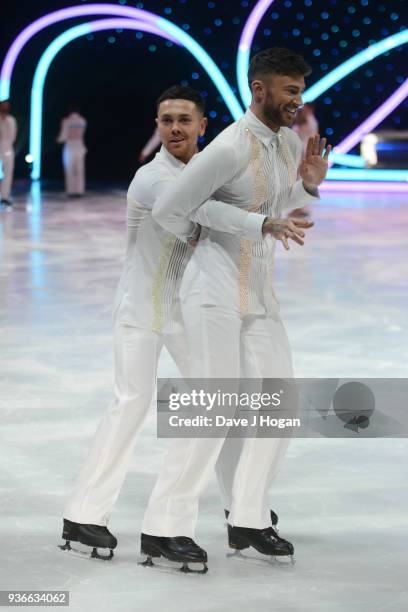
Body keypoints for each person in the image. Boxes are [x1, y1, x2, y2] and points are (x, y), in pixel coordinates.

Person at [59, 86, 296, 569]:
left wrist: (300, 187)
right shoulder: (153, 178)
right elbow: (198, 210)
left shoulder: (208, 172)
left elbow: (248, 192)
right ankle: (83, 514)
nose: (174, 129)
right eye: (166, 120)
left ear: (202, 126)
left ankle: (241, 511)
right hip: (142, 313)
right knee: (133, 402)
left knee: (218, 407)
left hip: (183, 315)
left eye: (184, 120)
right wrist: (261, 221)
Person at [141, 48, 331, 570]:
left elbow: (272, 203)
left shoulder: (288, 142)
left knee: (279, 408)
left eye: (300, 90)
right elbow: (170, 206)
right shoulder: (226, 146)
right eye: (289, 90)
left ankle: (248, 518)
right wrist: (223, 235)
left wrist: (308, 185)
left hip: (260, 294)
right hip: (212, 295)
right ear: (260, 90)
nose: (298, 100)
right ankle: (161, 527)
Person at [290, 103, 319, 217]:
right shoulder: (307, 120)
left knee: (302, 181)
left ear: (310, 108)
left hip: (304, 154)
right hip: (304, 153)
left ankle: (301, 208)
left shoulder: (308, 121)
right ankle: (300, 208)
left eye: (305, 108)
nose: (303, 109)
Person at [56, 104, 87, 197]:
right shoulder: (82, 121)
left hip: (70, 147)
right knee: (79, 170)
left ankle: (71, 191)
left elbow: (64, 136)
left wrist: (58, 140)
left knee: (69, 169)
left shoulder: (66, 121)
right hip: (79, 146)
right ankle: (79, 191)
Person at [0, 99, 17, 206]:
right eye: (3, 105)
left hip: (8, 148)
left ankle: (5, 197)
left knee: (8, 173)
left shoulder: (11, 120)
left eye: (7, 105)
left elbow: (13, 136)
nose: (5, 107)